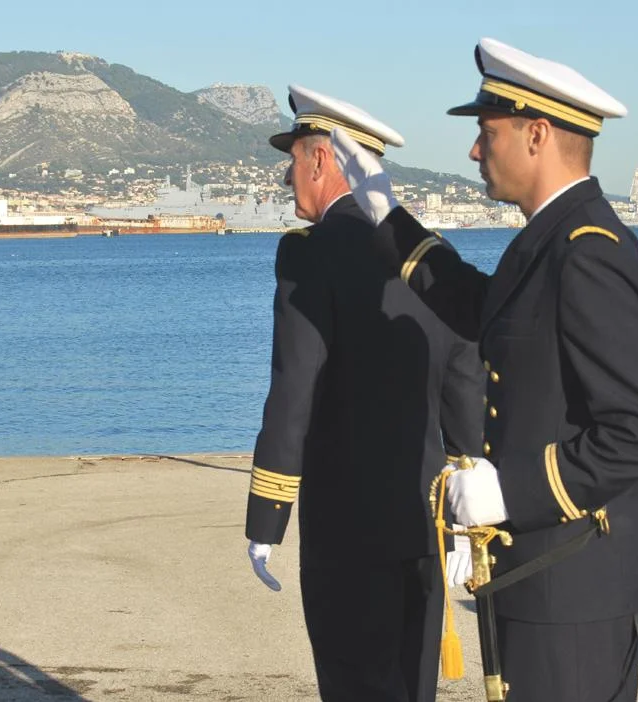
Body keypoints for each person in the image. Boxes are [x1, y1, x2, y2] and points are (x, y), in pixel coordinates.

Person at [332, 38, 638, 702]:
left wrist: (509, 492)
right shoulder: (549, 239)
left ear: (537, 134)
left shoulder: (587, 251)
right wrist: (386, 213)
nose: (472, 152)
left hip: (571, 591)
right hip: (540, 578)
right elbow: (477, 305)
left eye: (485, 133)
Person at [244, 85, 485, 702]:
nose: (287, 175)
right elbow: (465, 382)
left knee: (355, 683)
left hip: (345, 527)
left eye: (293, 159)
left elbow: (293, 391)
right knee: (412, 684)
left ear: (321, 160)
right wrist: (465, 508)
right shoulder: (432, 254)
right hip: (426, 518)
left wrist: (267, 518)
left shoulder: (309, 255)